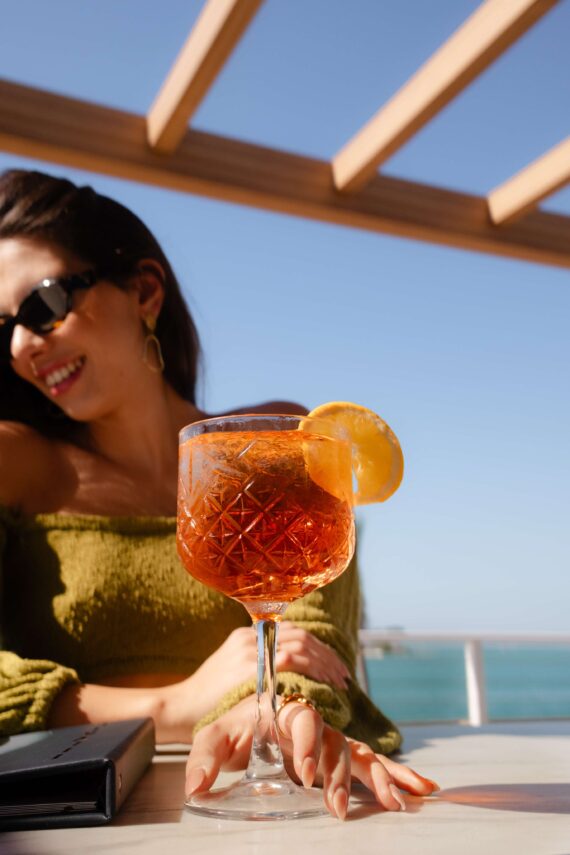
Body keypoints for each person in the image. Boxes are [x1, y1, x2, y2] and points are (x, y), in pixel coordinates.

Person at [0, 169, 437, 820]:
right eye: (2, 326)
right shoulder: (13, 461)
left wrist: (284, 709)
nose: (21, 345)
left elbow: (313, 630)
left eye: (42, 305)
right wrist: (172, 707)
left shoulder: (278, 437)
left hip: (252, 805)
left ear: (144, 291)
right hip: (91, 818)